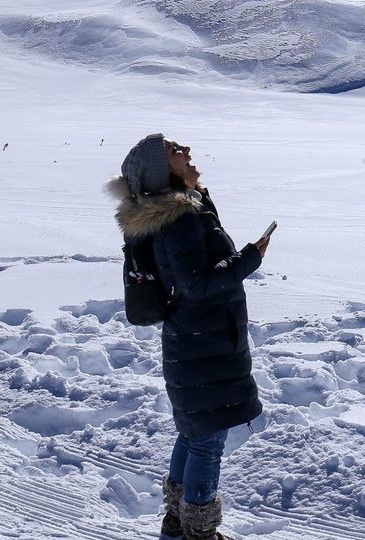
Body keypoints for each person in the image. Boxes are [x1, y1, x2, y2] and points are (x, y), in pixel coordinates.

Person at [107, 133, 268, 540]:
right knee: (206, 440)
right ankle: (198, 532)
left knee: (196, 431)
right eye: (176, 151)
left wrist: (198, 194)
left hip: (200, 340)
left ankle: (177, 522)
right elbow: (196, 284)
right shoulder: (178, 217)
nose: (188, 152)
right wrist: (251, 257)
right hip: (203, 343)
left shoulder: (183, 208)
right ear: (164, 172)